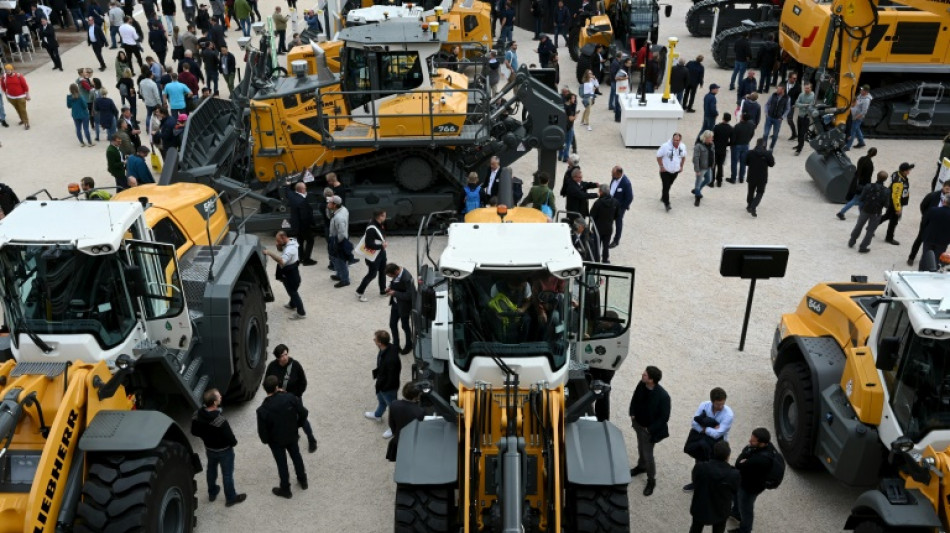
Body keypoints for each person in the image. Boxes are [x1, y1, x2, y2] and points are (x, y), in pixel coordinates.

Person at [190, 388, 247, 507]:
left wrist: (206, 437)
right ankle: (231, 498)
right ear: (215, 402)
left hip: (209, 450)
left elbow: (194, 431)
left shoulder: (196, 415)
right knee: (227, 475)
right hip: (224, 451)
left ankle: (212, 492)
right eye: (219, 396)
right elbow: (232, 440)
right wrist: (231, 444)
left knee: (211, 470)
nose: (221, 397)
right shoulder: (220, 421)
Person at [256, 376, 309, 499]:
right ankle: (303, 480)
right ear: (277, 387)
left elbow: (262, 432)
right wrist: (297, 425)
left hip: (276, 441)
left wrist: (267, 441)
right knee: (296, 457)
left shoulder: (262, 410)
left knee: (282, 464)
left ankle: (285, 489)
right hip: (291, 434)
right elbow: (304, 413)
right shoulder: (289, 398)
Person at [265, 344, 319, 452]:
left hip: (295, 398)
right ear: (277, 358)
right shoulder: (272, 367)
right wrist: (276, 392)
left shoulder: (295, 365)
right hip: (280, 400)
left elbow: (303, 382)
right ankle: (295, 435)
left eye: (286, 354)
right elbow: (267, 383)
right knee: (287, 420)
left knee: (302, 420)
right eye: (282, 356)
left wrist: (296, 396)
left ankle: (311, 439)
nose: (285, 357)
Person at [628, 366, 671, 497]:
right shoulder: (641, 384)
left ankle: (651, 480)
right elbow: (635, 397)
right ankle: (641, 467)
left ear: (651, 380)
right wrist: (632, 413)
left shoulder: (663, 396)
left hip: (648, 430)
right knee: (640, 446)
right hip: (638, 424)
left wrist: (649, 429)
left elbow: (664, 417)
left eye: (645, 375)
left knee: (648, 455)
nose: (642, 375)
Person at [684, 387, 734, 491]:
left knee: (714, 466)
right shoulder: (704, 405)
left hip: (717, 445)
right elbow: (693, 423)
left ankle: (711, 488)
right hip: (702, 441)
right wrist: (710, 428)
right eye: (718, 404)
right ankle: (696, 483)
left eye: (722, 404)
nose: (720, 407)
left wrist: (703, 427)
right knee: (699, 463)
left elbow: (718, 434)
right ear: (712, 402)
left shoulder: (728, 414)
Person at [731, 428, 777, 533]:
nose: (749, 441)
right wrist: (747, 455)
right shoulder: (768, 446)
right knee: (737, 496)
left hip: (749, 488)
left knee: (746, 509)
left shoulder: (760, 460)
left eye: (752, 441)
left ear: (762, 443)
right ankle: (736, 513)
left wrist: (745, 455)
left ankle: (745, 530)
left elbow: (738, 464)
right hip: (747, 481)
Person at [689, 441, 740, 533]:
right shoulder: (734, 474)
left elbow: (695, 480)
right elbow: (735, 490)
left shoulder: (700, 467)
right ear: (728, 456)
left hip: (700, 506)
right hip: (721, 510)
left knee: (695, 529)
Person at [364, 330, 402, 439]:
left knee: (393, 408)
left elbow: (392, 376)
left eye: (375, 339)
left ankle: (394, 428)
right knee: (381, 401)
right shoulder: (388, 348)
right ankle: (377, 415)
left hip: (388, 388)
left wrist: (384, 388)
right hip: (382, 385)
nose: (374, 340)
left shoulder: (390, 359)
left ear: (380, 342)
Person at [264, 231, 305, 319]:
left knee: (293, 292)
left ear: (283, 237)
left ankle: (301, 313)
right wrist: (278, 245)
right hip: (290, 272)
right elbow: (281, 250)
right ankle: (292, 304)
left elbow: (282, 261)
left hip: (291, 275)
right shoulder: (291, 241)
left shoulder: (291, 249)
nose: (277, 242)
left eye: (278, 241)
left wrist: (269, 253)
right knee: (291, 291)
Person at [907, 180, 950, 266]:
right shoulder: (933, 195)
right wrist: (926, 216)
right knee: (920, 238)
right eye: (947, 188)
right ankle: (911, 257)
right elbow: (923, 205)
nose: (948, 191)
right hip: (929, 222)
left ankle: (932, 261)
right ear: (943, 187)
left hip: (942, 225)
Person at [385, 382, 425, 461]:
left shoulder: (394, 404)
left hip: (398, 440)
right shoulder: (420, 412)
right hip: (412, 442)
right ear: (415, 397)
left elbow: (391, 424)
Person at [355, 210, 387, 301]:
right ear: (380, 217)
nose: (385, 217)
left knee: (383, 271)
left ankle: (383, 291)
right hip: (374, 255)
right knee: (372, 274)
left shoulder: (379, 224)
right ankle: (359, 292)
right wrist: (381, 246)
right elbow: (368, 244)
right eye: (384, 215)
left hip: (381, 253)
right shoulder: (371, 228)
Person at [838, 147, 877, 220]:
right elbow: (868, 177)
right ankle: (841, 212)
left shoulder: (861, 159)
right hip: (863, 184)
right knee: (855, 200)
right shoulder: (870, 164)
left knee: (862, 200)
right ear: (874, 155)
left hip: (856, 181)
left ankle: (862, 214)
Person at [880, 162, 914, 246]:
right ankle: (889, 238)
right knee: (893, 221)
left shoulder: (896, 173)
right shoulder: (899, 182)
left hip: (893, 201)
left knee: (887, 216)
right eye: (907, 171)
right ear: (903, 171)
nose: (908, 172)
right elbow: (896, 196)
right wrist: (898, 208)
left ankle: (871, 226)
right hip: (895, 203)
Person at [385, 263, 415, 355]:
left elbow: (410, 295)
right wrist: (390, 287)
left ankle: (409, 345)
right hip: (396, 304)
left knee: (405, 326)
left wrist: (395, 293)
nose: (390, 277)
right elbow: (395, 281)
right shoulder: (398, 274)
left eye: (390, 275)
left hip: (404, 306)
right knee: (392, 324)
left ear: (396, 271)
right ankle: (396, 345)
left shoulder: (406, 278)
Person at [287, 181, 316, 266]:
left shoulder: (292, 196)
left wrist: (287, 185)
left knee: (300, 241)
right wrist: (312, 224)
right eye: (305, 188)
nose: (306, 189)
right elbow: (304, 217)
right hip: (303, 226)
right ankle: (306, 259)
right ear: (301, 190)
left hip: (295, 225)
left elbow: (288, 192)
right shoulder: (302, 201)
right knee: (310, 240)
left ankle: (300, 257)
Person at [745, 138, 775, 217]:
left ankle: (749, 205)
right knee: (760, 192)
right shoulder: (767, 154)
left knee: (751, 191)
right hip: (762, 177)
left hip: (751, 175)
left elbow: (746, 162)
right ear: (764, 144)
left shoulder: (750, 153)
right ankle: (753, 206)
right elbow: (772, 164)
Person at [657, 133, 687, 212]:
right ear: (672, 139)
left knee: (669, 185)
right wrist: (661, 167)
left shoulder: (682, 146)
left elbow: (683, 157)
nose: (676, 141)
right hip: (665, 171)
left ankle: (664, 196)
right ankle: (667, 203)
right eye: (674, 140)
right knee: (666, 186)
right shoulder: (665, 146)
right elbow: (658, 156)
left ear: (680, 140)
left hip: (675, 171)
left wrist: (681, 166)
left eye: (677, 140)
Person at [327, 195, 352, 288]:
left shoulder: (339, 217)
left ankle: (345, 280)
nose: (327, 204)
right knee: (335, 258)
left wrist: (336, 243)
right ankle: (339, 275)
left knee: (340, 261)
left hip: (339, 241)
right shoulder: (343, 209)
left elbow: (341, 233)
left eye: (329, 202)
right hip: (338, 239)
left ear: (334, 205)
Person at [590, 184, 618, 262]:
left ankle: (596, 260)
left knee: (597, 245)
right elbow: (617, 215)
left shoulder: (598, 203)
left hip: (598, 228)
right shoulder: (615, 202)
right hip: (608, 227)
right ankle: (605, 259)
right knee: (606, 245)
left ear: (601, 192)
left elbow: (592, 215)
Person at [608, 166, 633, 248]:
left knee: (618, 223)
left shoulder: (626, 183)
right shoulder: (614, 178)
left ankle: (616, 240)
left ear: (619, 174)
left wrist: (622, 207)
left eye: (613, 174)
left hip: (619, 208)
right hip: (611, 204)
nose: (612, 175)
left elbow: (629, 197)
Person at [920, 196, 950, 260]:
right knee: (936, 260)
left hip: (929, 237)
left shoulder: (933, 210)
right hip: (943, 242)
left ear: (944, 202)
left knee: (925, 258)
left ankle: (922, 269)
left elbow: (924, 222)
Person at [729, 113, 756, 184]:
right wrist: (748, 140)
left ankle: (733, 178)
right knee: (743, 162)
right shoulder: (751, 125)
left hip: (737, 145)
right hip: (745, 145)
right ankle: (741, 178)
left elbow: (733, 138)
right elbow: (752, 134)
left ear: (742, 118)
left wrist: (732, 145)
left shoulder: (737, 126)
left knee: (734, 162)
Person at [1, 65, 30, 130]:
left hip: (21, 96)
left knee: (22, 110)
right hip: (11, 97)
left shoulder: (19, 76)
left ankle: (26, 123)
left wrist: (27, 94)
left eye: (9, 70)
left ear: (12, 69)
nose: (7, 71)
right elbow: (3, 86)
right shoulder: (4, 77)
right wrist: (6, 94)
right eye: (6, 70)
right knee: (17, 109)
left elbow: (25, 86)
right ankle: (22, 119)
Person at [761, 85, 789, 150]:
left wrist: (782, 117)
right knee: (765, 134)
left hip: (778, 119)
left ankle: (771, 147)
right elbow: (767, 104)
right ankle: (764, 147)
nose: (777, 91)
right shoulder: (773, 95)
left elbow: (787, 109)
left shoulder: (787, 98)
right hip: (769, 117)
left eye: (778, 89)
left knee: (775, 135)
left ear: (783, 90)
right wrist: (766, 112)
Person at [845, 84, 872, 151]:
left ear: (866, 91)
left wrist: (856, 117)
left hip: (857, 118)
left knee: (852, 131)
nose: (860, 90)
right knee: (857, 129)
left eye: (862, 90)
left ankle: (848, 146)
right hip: (854, 115)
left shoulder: (866, 100)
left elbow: (864, 112)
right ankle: (861, 142)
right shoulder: (860, 95)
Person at [793, 82, 816, 155]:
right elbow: (796, 104)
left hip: (806, 118)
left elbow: (811, 106)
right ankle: (799, 144)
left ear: (810, 88)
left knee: (802, 133)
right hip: (800, 116)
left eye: (808, 88)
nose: (806, 89)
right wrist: (805, 105)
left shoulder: (813, 96)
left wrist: (801, 105)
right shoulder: (801, 95)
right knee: (799, 132)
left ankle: (799, 150)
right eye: (805, 88)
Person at [693, 131, 715, 206]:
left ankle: (696, 190)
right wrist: (697, 170)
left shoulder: (712, 145)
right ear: (706, 138)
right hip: (701, 168)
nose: (712, 138)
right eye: (711, 137)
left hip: (708, 167)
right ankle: (697, 197)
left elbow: (713, 154)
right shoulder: (698, 146)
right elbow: (695, 158)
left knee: (709, 180)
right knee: (698, 182)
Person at [712, 113, 733, 187]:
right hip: (723, 149)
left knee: (713, 165)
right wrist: (727, 144)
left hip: (715, 148)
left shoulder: (717, 127)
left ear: (723, 118)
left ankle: (711, 181)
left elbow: (713, 137)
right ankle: (719, 181)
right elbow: (732, 141)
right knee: (720, 165)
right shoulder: (730, 129)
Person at [784, 72, 801, 140]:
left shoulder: (797, 86)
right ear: (789, 78)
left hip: (791, 105)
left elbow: (799, 96)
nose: (795, 79)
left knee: (789, 120)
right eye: (794, 78)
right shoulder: (784, 83)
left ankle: (794, 134)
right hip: (782, 104)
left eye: (796, 78)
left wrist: (795, 103)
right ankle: (775, 133)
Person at [560, 91, 577, 161]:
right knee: (568, 142)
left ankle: (560, 155)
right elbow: (571, 118)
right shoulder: (569, 107)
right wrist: (576, 116)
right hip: (569, 127)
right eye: (573, 98)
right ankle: (565, 157)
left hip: (563, 126)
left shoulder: (564, 105)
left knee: (562, 142)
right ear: (569, 99)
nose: (574, 100)